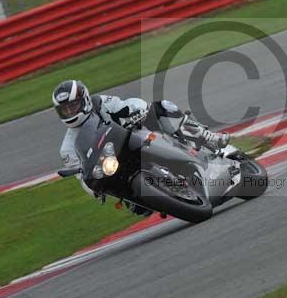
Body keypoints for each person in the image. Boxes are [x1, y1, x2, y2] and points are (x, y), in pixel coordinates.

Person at [52, 79, 230, 215]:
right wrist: (94, 189)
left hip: (135, 140)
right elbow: (82, 177)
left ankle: (209, 138)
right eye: (65, 110)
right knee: (137, 208)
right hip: (117, 170)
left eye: (73, 106)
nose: (70, 112)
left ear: (84, 100)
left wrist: (139, 111)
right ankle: (169, 194)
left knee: (162, 107)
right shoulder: (67, 149)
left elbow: (127, 105)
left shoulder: (100, 104)